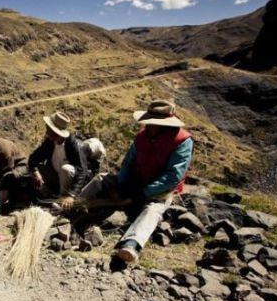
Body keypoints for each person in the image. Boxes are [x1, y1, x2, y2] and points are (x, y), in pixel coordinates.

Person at [80, 100, 193, 264]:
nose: (150, 126)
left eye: (155, 123)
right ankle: (76, 206)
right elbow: (128, 162)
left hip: (159, 190)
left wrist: (143, 193)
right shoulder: (143, 136)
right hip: (135, 181)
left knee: (153, 210)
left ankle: (131, 244)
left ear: (166, 125)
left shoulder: (182, 141)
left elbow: (173, 177)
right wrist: (121, 184)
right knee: (100, 179)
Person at [28, 111, 90, 211]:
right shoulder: (49, 142)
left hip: (69, 182)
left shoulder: (72, 144)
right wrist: (35, 172)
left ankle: (62, 200)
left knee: (66, 169)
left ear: (56, 132)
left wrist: (72, 195)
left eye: (49, 129)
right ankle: (47, 192)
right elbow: (33, 158)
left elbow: (83, 171)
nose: (46, 132)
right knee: (38, 168)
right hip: (55, 176)